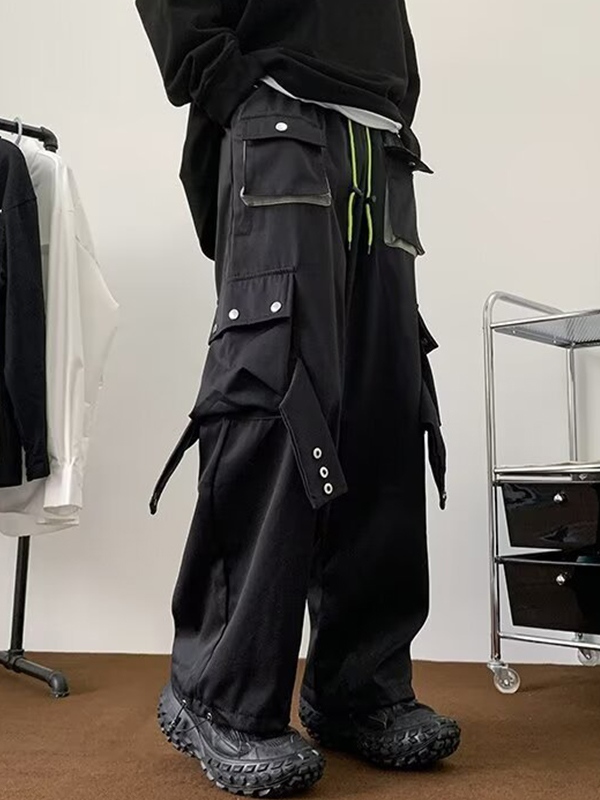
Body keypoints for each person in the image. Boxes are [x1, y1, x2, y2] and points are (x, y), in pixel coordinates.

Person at [135, 1, 460, 795]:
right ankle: (220, 693)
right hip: (278, 111)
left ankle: (358, 686)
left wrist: (394, 97)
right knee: (275, 397)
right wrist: (224, 81)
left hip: (379, 142)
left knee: (384, 411)